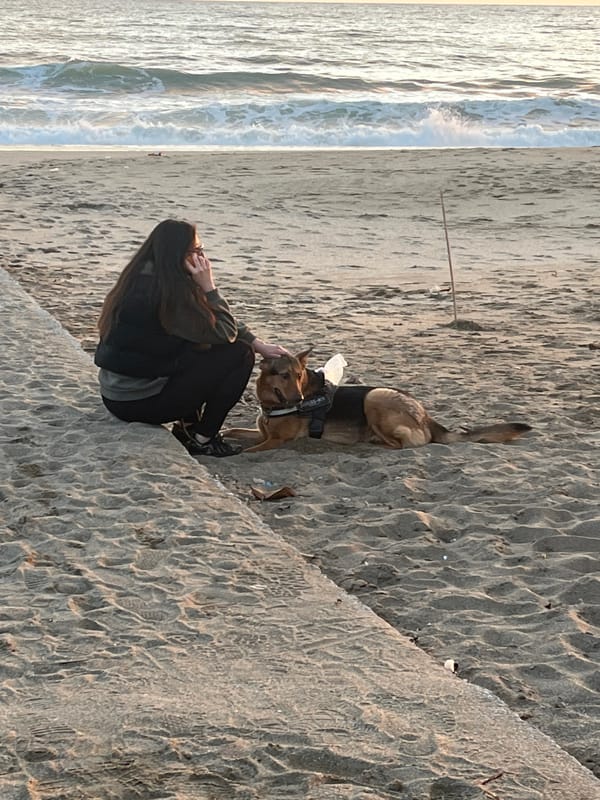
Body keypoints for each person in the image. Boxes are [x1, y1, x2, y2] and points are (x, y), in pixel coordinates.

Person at [94, 218, 288, 457]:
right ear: (177, 254)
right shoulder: (169, 296)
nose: (202, 257)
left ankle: (188, 427)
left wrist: (257, 342)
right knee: (239, 354)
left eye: (201, 249)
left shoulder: (140, 277)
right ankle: (202, 438)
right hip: (139, 404)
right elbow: (225, 333)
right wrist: (209, 287)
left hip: (115, 395)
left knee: (206, 345)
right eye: (196, 251)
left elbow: (204, 319)